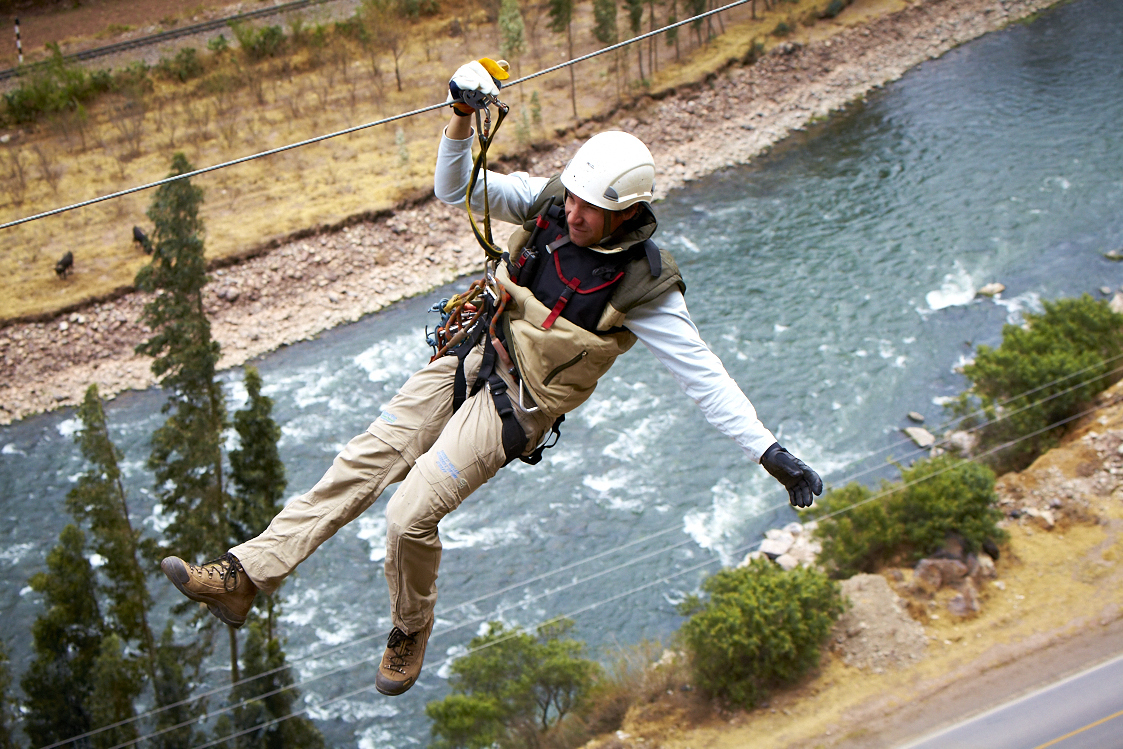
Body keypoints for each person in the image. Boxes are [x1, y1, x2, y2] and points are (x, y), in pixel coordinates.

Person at [159, 59, 823, 698]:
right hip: (473, 351)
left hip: (517, 406)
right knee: (360, 461)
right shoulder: (548, 204)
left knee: (407, 515)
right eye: (575, 200)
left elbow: (702, 375)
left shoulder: (644, 285)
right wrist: (456, 118)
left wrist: (768, 452)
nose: (575, 214)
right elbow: (456, 190)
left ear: (627, 212)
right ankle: (243, 575)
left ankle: (409, 629)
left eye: (592, 208)